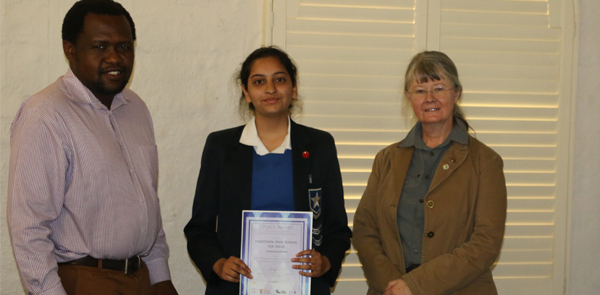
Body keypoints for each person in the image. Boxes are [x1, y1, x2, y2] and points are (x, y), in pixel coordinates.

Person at [7, 0, 177, 295]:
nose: (114, 57)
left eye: (124, 47)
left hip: (141, 278)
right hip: (83, 281)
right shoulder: (46, 115)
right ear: (69, 49)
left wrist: (160, 278)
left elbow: (146, 200)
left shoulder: (136, 108)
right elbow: (29, 229)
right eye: (99, 46)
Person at [184, 46, 352, 294]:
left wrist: (325, 260)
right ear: (247, 92)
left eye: (280, 80)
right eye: (259, 81)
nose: (270, 89)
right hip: (236, 286)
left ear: (293, 89)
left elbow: (337, 228)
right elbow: (199, 228)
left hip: (303, 285)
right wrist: (218, 264)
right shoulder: (221, 147)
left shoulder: (319, 145)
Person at [352, 51, 507, 295]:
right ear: (408, 97)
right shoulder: (386, 160)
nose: (430, 98)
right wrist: (393, 286)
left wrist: (414, 286)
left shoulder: (486, 163)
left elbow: (485, 244)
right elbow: (364, 230)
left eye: (439, 88)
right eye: (420, 90)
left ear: (456, 93)